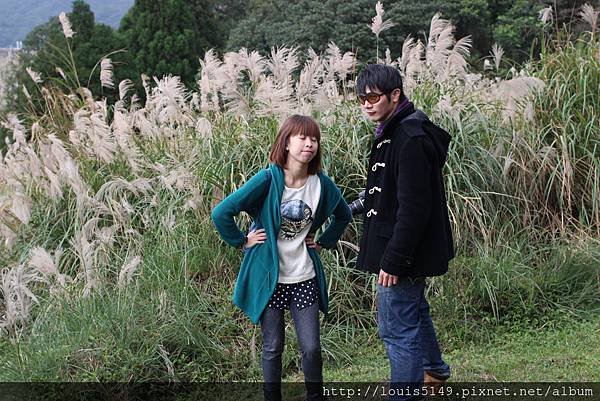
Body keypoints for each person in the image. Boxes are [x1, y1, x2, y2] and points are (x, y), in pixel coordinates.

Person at [211, 115, 351, 401]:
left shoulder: (320, 184)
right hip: (270, 276)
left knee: (311, 347)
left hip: (304, 276)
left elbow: (343, 215)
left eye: (314, 139)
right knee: (273, 346)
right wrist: (241, 241)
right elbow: (222, 212)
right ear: (286, 142)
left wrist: (324, 242)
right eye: (302, 138)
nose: (309, 144)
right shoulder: (268, 179)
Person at [354, 64, 454, 400]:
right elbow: (386, 189)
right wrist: (347, 208)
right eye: (362, 99)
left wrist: (394, 261)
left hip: (401, 253)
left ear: (395, 95)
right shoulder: (394, 129)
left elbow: (414, 210)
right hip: (403, 248)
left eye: (374, 97)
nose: (367, 104)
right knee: (414, 311)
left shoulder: (408, 137)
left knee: (398, 329)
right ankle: (435, 371)